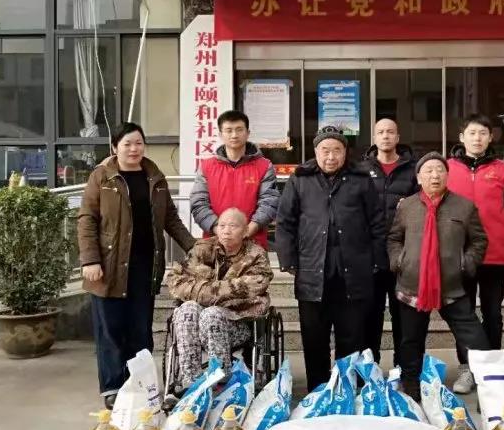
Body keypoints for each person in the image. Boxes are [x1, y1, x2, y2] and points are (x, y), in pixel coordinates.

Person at [78, 122, 196, 408]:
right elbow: (87, 219)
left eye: (139, 143)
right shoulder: (101, 177)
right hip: (108, 267)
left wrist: (194, 247)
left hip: (144, 265)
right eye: (127, 144)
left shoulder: (155, 177)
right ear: (115, 147)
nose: (134, 149)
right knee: (111, 329)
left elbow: (170, 218)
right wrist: (90, 259)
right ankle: (113, 387)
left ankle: (140, 382)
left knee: (140, 329)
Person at [275, 125, 387, 391]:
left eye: (337, 150)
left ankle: (345, 387)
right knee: (314, 335)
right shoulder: (300, 179)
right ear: (316, 152)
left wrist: (376, 261)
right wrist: (289, 260)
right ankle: (318, 389)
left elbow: (377, 223)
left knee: (352, 334)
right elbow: (285, 222)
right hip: (312, 269)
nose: (331, 156)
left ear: (345, 152)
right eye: (325, 150)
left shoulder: (361, 179)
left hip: (353, 270)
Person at [388, 153, 489, 399]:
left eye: (440, 170)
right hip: (413, 284)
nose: (435, 175)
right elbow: (394, 238)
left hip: (452, 284)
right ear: (419, 178)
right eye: (429, 171)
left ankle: (487, 384)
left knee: (475, 338)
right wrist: (399, 261)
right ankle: (411, 385)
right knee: (411, 339)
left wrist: (466, 264)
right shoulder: (407, 206)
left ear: (447, 175)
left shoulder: (464, 206)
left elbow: (478, 240)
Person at [165, 208, 273, 392]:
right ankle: (191, 380)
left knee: (212, 313)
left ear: (245, 231)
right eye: (222, 225)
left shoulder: (256, 255)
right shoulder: (202, 249)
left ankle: (222, 378)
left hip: (238, 323)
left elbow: (253, 286)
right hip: (196, 324)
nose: (226, 231)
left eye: (233, 226)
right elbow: (176, 280)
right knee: (187, 309)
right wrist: (218, 292)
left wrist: (203, 291)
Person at [446, 113, 504, 394]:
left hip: (494, 254)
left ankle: (491, 367)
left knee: (492, 313)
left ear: (490, 138)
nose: (477, 138)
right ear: (462, 137)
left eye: (483, 133)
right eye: (472, 133)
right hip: (458, 254)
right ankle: (467, 367)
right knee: (464, 314)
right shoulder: (446, 168)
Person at [361, 117, 418, 366]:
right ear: (374, 138)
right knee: (370, 316)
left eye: (390, 132)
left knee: (402, 316)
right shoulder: (361, 170)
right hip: (370, 255)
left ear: (398, 137)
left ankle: (402, 369)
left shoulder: (413, 169)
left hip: (403, 254)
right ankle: (369, 369)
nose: (385, 136)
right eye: (381, 132)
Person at [190, 109, 280, 249]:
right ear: (220, 134)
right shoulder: (206, 166)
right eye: (229, 130)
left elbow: (269, 202)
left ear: (247, 133)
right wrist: (219, 230)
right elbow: (198, 203)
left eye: (239, 130)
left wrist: (250, 229)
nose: (234, 135)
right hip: (215, 244)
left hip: (253, 244)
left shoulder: (264, 166)